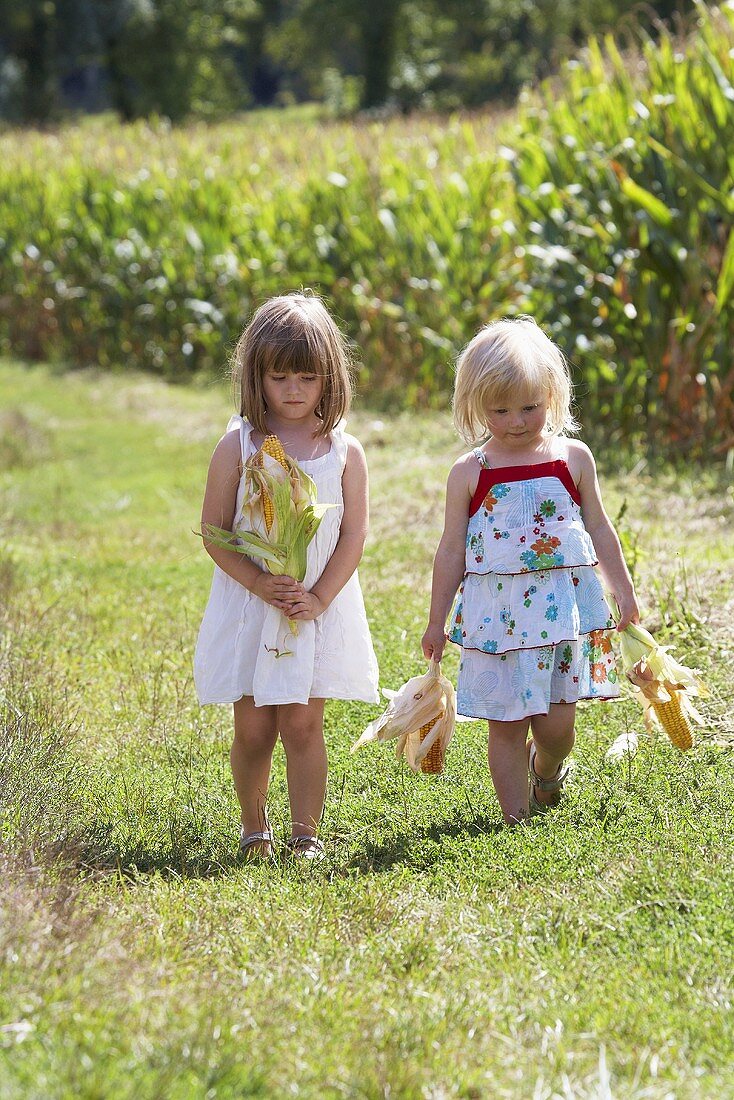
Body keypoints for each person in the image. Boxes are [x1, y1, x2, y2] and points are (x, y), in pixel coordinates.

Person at [421, 316, 639, 825]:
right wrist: (436, 621)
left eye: (530, 407)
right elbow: (451, 549)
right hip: (498, 620)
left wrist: (623, 593)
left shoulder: (572, 459)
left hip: (561, 616)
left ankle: (546, 767)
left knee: (558, 726)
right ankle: (515, 819)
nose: (517, 421)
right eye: (499, 410)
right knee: (506, 723)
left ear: (553, 396)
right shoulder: (470, 471)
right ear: (476, 404)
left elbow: (600, 530)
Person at [194, 293, 379, 860]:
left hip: (311, 609)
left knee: (302, 726)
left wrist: (320, 597)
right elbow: (213, 530)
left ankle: (305, 836)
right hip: (255, 605)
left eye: (307, 376)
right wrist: (256, 582)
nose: (293, 390)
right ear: (257, 376)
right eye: (279, 377)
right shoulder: (241, 444)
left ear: (329, 378)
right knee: (252, 729)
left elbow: (353, 536)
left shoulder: (343, 450)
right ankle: (255, 829)